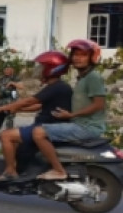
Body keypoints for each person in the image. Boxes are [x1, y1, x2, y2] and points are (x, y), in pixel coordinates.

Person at [29, 39, 108, 181]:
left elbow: (98, 105)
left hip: (87, 127)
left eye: (83, 55)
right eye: (75, 54)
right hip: (81, 124)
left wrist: (71, 115)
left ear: (92, 58)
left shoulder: (93, 77)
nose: (77, 58)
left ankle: (58, 170)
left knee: (38, 132)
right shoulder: (83, 78)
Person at [0, 51, 72, 179]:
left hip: (47, 127)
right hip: (45, 125)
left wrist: (3, 108)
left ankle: (10, 172)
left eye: (42, 67)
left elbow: (30, 101)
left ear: (51, 69)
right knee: (15, 138)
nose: (39, 70)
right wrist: (17, 109)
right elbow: (39, 105)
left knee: (5, 135)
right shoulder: (58, 86)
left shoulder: (56, 87)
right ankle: (20, 169)